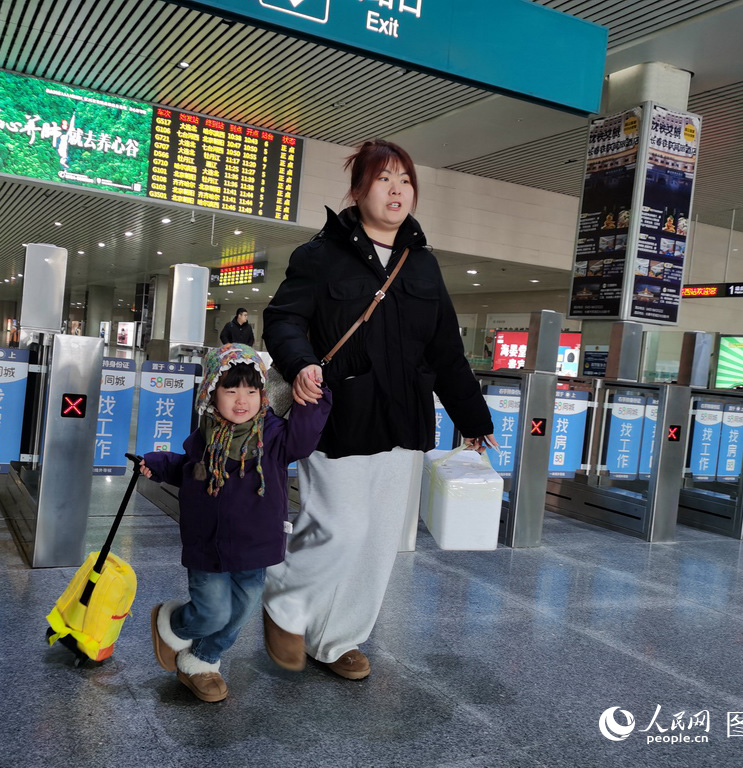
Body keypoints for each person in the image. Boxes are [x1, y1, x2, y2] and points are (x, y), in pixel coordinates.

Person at [260, 139, 497, 681]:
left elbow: (445, 351)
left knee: (380, 537)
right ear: (358, 190)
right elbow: (282, 319)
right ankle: (285, 605)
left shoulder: (424, 266)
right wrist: (299, 365)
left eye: (405, 180)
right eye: (384, 179)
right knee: (340, 525)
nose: (397, 189)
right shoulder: (321, 255)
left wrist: (473, 418)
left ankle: (336, 638)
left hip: (403, 419)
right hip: (336, 414)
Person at [142, 343, 331, 702]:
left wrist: (312, 397)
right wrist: (160, 464)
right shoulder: (205, 437)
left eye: (251, 390)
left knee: (238, 614)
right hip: (207, 543)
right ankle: (173, 623)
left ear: (263, 393)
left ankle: (201, 660)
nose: (242, 400)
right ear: (212, 392)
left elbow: (304, 439)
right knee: (212, 612)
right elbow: (190, 470)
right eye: (230, 390)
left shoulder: (274, 436)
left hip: (255, 546)